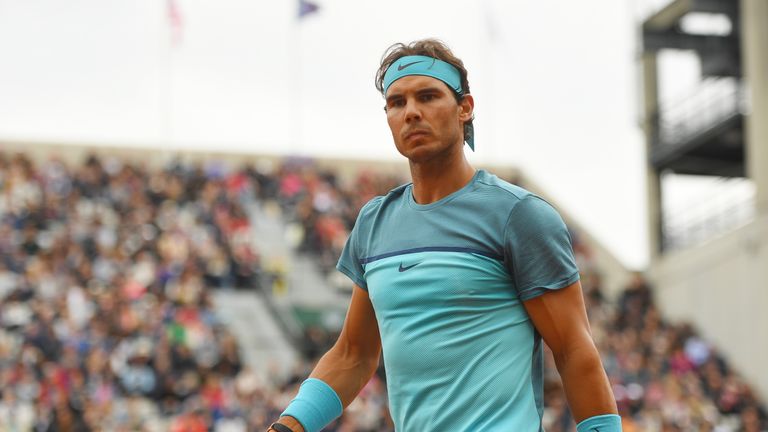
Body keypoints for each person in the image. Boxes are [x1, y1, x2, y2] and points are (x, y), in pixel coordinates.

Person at [267, 39, 621, 432]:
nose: (412, 112)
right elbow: (353, 355)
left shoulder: (519, 215)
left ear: (465, 108)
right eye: (397, 103)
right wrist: (288, 426)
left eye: (428, 96)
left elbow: (573, 350)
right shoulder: (374, 221)